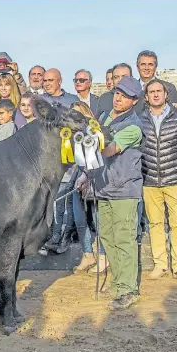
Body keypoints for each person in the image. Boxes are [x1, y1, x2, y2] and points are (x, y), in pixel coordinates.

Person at [76, 76, 144, 311]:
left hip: (125, 189)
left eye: (124, 95)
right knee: (107, 237)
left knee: (124, 239)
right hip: (104, 188)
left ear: (134, 101)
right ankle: (118, 284)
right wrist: (85, 174)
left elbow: (109, 149)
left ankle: (128, 290)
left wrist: (87, 143)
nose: (118, 98)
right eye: (117, 93)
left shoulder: (134, 126)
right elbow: (96, 156)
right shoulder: (104, 117)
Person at [140, 79, 177, 284]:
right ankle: (160, 264)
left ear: (166, 94)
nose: (155, 95)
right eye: (151, 92)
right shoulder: (140, 120)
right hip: (150, 181)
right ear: (146, 97)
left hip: (175, 180)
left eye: (159, 91)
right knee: (155, 224)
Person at [71, 102, 107, 274]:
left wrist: (86, 173)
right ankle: (87, 253)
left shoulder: (94, 132)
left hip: (95, 178)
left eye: (79, 115)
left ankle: (103, 255)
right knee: (79, 219)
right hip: (75, 177)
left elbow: (97, 157)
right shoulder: (68, 134)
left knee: (98, 219)